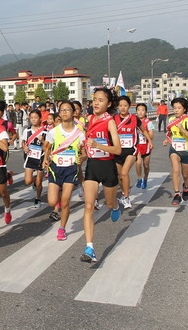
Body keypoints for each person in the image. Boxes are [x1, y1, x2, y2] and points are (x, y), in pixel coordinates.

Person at [81, 88, 122, 262]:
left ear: (109, 104)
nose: (96, 103)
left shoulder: (110, 121)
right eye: (94, 99)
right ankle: (90, 247)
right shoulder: (89, 120)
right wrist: (82, 155)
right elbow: (86, 145)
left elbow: (118, 149)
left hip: (107, 167)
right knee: (89, 206)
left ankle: (115, 206)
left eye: (100, 100)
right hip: (92, 167)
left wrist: (99, 146)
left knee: (109, 203)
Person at [43, 101, 86, 242]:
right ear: (59, 113)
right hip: (55, 169)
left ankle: (62, 228)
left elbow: (85, 153)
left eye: (68, 110)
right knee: (52, 201)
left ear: (74, 113)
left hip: (71, 169)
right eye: (62, 110)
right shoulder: (53, 132)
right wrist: (45, 158)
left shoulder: (80, 134)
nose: (64, 112)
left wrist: (81, 158)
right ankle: (58, 200)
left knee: (65, 201)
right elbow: (47, 147)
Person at [114, 96, 153, 209]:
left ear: (129, 106)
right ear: (117, 106)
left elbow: (144, 130)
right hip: (117, 151)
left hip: (131, 150)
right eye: (120, 105)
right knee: (120, 176)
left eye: (125, 105)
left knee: (125, 173)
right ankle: (123, 193)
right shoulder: (114, 119)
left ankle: (126, 197)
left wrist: (149, 141)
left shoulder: (134, 119)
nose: (123, 108)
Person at [163, 97, 188, 205]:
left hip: (187, 151)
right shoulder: (171, 120)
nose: (176, 110)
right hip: (175, 149)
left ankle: (186, 187)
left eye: (179, 108)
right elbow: (171, 132)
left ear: (185, 109)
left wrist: (182, 128)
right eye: (174, 108)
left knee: (185, 174)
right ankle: (177, 194)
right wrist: (166, 139)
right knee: (176, 170)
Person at [22, 110, 46, 208]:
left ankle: (38, 198)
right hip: (30, 157)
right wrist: (24, 147)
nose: (33, 119)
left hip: (41, 157)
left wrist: (43, 140)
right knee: (27, 181)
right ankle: (34, 180)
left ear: (40, 118)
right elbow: (23, 142)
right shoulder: (27, 131)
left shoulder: (44, 132)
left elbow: (48, 146)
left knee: (39, 182)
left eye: (35, 117)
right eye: (31, 118)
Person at [134, 103, 155, 189]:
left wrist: (144, 132)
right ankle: (139, 178)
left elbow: (151, 136)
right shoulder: (134, 121)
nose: (140, 112)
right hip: (137, 146)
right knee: (138, 163)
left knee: (146, 165)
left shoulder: (148, 122)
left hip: (146, 146)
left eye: (142, 110)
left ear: (145, 111)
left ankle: (145, 178)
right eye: (138, 110)